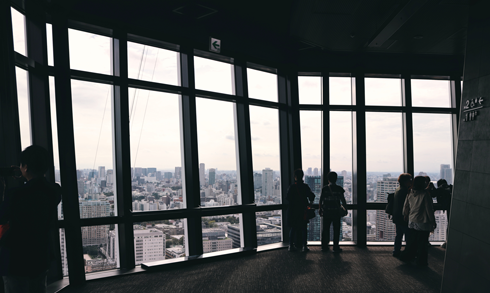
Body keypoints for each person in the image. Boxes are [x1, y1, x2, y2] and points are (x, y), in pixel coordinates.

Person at [0, 145, 62, 292]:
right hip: (40, 254)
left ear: (25, 167)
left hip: (16, 257)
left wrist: (4, 189)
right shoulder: (54, 191)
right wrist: (27, 175)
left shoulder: (14, 194)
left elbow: (2, 217)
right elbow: (36, 192)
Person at [399, 176, 436, 266]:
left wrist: (406, 215)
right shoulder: (425, 194)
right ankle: (421, 261)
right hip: (422, 222)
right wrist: (432, 221)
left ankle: (409, 257)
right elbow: (429, 210)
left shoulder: (410, 193)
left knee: (412, 242)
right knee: (422, 244)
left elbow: (405, 206)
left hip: (412, 221)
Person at [286, 169, 315, 252]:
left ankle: (291, 245)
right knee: (303, 229)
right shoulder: (305, 186)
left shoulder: (292, 187)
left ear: (295, 177)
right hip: (303, 210)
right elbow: (312, 196)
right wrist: (310, 204)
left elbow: (288, 198)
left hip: (293, 210)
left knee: (293, 228)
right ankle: (304, 246)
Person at [319, 172, 347, 253]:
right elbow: (343, 200)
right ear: (336, 179)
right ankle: (335, 247)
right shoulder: (339, 189)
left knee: (325, 229)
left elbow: (321, 200)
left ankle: (324, 246)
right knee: (336, 229)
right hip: (336, 212)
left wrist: (320, 209)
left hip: (327, 212)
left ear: (328, 180)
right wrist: (345, 209)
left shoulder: (325, 189)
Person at [392, 173, 412, 257]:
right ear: (406, 181)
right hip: (403, 217)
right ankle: (408, 252)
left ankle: (396, 251)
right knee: (408, 235)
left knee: (399, 235)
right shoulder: (405, 191)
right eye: (410, 180)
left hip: (396, 216)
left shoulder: (398, 189)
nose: (411, 182)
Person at [434, 179, 452, 248]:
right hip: (453, 207)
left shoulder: (440, 188)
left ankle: (447, 243)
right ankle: (449, 242)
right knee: (451, 225)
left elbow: (433, 194)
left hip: (447, 207)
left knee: (450, 225)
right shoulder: (450, 187)